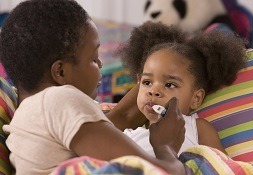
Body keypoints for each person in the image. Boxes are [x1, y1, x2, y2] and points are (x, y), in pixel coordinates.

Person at [0, 1, 187, 175]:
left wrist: (157, 78)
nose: (100, 64)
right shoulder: (59, 99)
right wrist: (165, 146)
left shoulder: (29, 117)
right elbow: (162, 172)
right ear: (61, 72)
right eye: (94, 58)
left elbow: (121, 118)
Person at [117, 21, 247, 156]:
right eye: (147, 82)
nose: (153, 91)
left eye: (169, 85)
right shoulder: (129, 136)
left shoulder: (196, 128)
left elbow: (223, 167)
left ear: (196, 98)